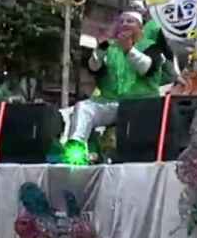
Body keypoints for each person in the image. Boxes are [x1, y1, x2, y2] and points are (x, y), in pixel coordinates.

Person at [65, 11, 164, 161]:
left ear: (140, 27)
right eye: (121, 21)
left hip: (142, 104)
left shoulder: (151, 46)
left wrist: (129, 50)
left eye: (129, 21)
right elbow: (94, 67)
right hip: (111, 103)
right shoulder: (110, 47)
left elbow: (146, 69)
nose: (124, 24)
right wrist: (100, 48)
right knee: (84, 107)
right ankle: (76, 146)